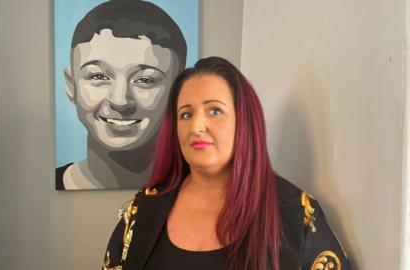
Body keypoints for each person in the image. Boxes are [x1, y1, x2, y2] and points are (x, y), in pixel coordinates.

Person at [101, 57, 352, 270]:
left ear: (245, 121)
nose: (197, 127)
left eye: (215, 111)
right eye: (186, 114)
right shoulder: (143, 209)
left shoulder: (297, 215)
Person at [56, 0, 187, 190]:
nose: (120, 100)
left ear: (179, 90)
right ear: (71, 85)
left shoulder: (198, 192)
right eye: (98, 76)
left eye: (145, 79)